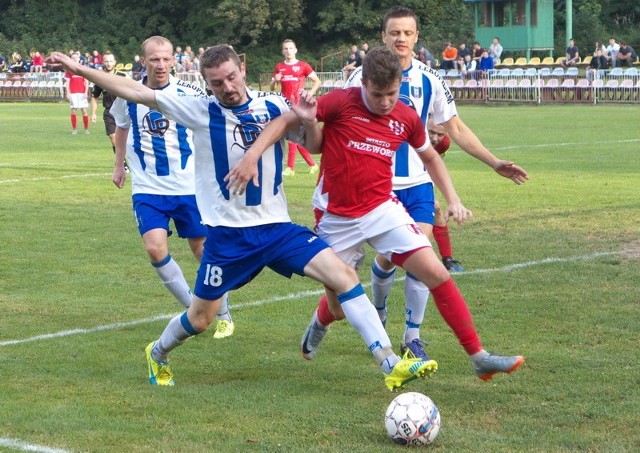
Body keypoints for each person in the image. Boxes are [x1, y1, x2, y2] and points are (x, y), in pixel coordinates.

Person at [47, 43, 436, 391]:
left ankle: (389, 362)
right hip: (229, 239)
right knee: (200, 320)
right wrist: (81, 70)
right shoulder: (199, 110)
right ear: (207, 84)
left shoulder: (274, 107)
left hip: (278, 230)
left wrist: (311, 119)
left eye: (231, 77)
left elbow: (317, 141)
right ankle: (159, 350)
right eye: (217, 82)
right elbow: (135, 91)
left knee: (345, 276)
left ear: (243, 71)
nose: (227, 87)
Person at [231, 45, 525, 383]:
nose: (385, 101)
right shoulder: (341, 101)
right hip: (335, 217)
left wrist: (453, 197)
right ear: (363, 84)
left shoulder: (405, 116)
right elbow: (287, 122)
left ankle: (478, 356)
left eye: (392, 93)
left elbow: (430, 158)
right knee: (339, 306)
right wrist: (252, 155)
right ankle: (321, 321)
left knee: (436, 273)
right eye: (377, 94)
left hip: (383, 209)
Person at [342, 5, 528, 371]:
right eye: (394, 32)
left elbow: (454, 128)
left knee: (421, 254)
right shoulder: (358, 80)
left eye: (407, 33)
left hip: (416, 185)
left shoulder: (429, 79)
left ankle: (412, 336)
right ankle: (378, 307)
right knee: (386, 259)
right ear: (383, 36)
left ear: (416, 36)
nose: (401, 38)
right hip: (374, 185)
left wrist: (494, 162)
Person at [110, 36, 234, 339]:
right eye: (154, 59)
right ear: (144, 61)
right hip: (148, 188)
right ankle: (195, 309)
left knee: (203, 250)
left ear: (173, 60)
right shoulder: (128, 94)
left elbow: (210, 127)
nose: (161, 64)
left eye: (166, 59)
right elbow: (122, 127)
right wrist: (118, 164)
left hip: (189, 187)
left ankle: (225, 313)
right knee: (154, 248)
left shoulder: (188, 92)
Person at [270, 39, 320, 176]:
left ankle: (290, 168)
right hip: (284, 105)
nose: (288, 51)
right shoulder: (279, 67)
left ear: (295, 50)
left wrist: (309, 94)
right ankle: (312, 164)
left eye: (290, 48)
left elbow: (317, 81)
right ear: (282, 51)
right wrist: (276, 80)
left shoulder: (303, 66)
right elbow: (272, 87)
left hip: (299, 106)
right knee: (293, 136)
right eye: (285, 49)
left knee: (293, 135)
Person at [91, 51, 127, 156]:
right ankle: (122, 162)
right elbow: (95, 97)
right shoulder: (100, 78)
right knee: (113, 136)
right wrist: (93, 113)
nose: (109, 63)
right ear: (103, 62)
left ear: (115, 62)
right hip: (109, 111)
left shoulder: (123, 76)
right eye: (106, 61)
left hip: (123, 111)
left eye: (111, 61)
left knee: (127, 139)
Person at [64, 51, 90, 135]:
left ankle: (86, 129)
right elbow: (67, 83)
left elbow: (86, 81)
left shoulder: (82, 69)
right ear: (71, 59)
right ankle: (74, 129)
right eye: (73, 58)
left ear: (79, 59)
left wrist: (86, 92)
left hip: (82, 93)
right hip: (73, 93)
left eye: (76, 58)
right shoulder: (69, 70)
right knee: (73, 111)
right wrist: (68, 92)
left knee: (84, 111)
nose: (75, 59)